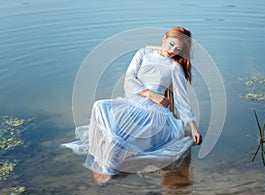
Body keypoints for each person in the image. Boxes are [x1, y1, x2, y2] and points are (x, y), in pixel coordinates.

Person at [62, 26, 202, 184]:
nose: (173, 50)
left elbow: (183, 99)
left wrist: (193, 126)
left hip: (154, 111)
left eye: (178, 49)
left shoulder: (174, 67)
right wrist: (150, 94)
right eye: (171, 44)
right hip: (135, 100)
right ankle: (107, 162)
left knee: (129, 135)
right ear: (164, 38)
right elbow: (129, 78)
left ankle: (109, 167)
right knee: (100, 107)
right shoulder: (143, 53)